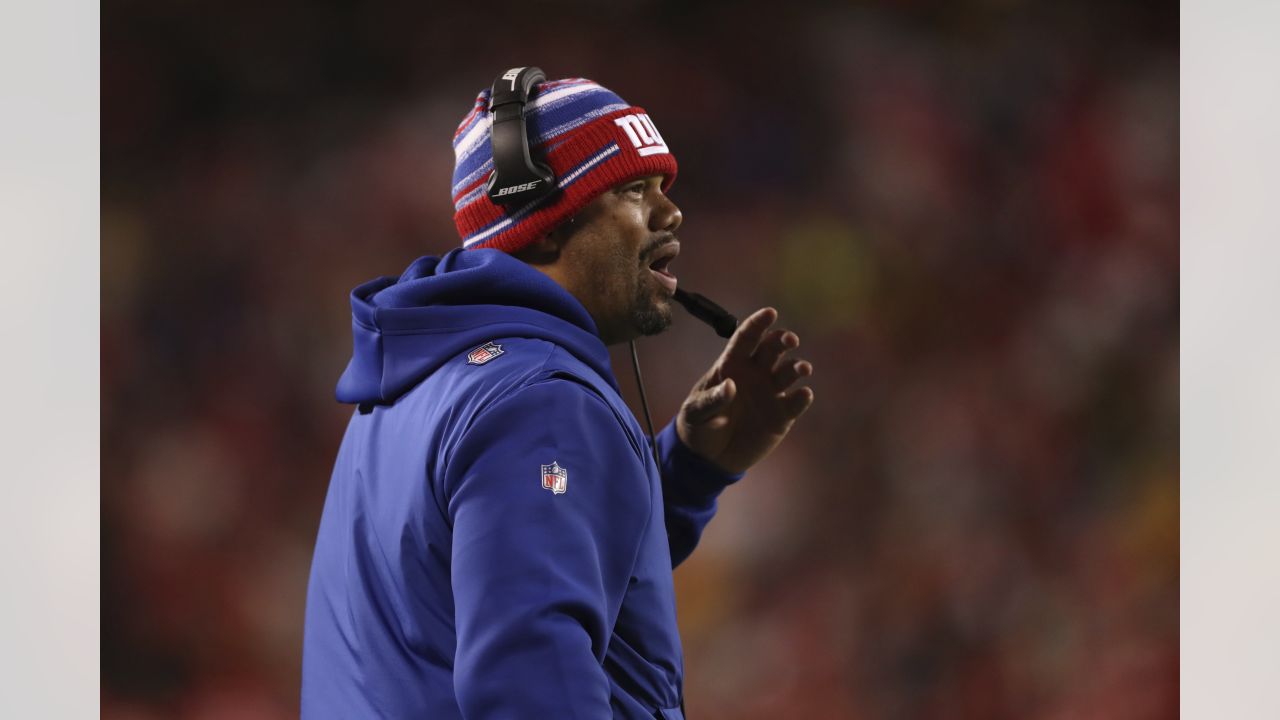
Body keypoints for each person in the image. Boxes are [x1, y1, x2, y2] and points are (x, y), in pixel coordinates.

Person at [301, 74, 815, 719]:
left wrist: (685, 472)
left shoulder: (415, 381)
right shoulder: (538, 399)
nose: (670, 212)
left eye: (663, 187)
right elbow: (529, 683)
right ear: (540, 226)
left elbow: (513, 573)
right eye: (632, 190)